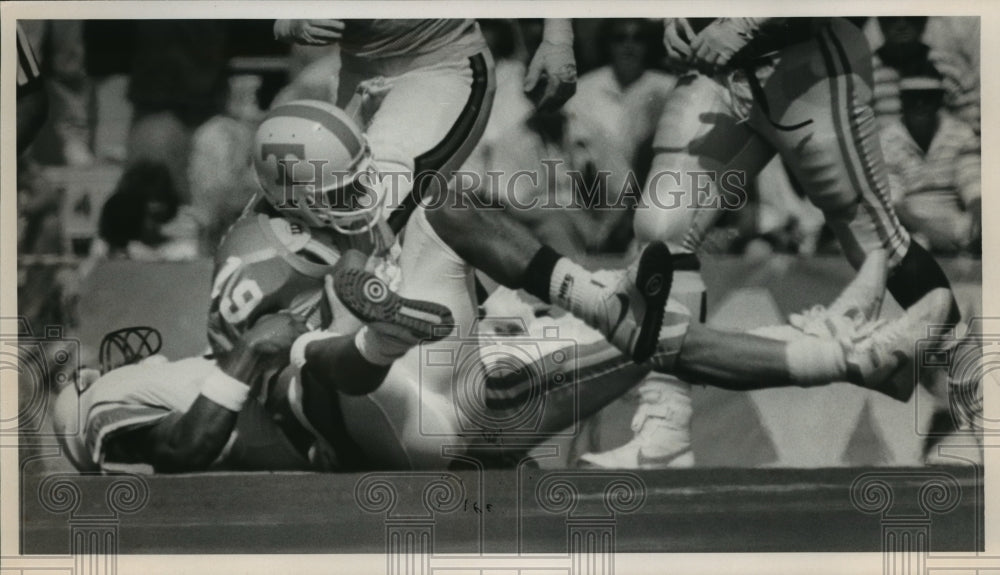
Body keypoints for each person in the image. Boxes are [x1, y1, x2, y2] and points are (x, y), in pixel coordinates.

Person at [584, 17, 962, 468]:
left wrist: (745, 25)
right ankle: (666, 431)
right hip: (716, 75)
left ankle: (971, 402)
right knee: (661, 231)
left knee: (875, 236)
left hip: (805, 58)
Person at [271, 21, 672, 365]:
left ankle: (316, 356)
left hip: (438, 65)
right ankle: (559, 310)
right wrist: (288, 20)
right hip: (358, 70)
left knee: (377, 213)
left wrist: (557, 38)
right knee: (361, 218)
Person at [881, 67, 981, 255]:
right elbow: (893, 203)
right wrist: (930, 233)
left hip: (954, 219)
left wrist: (979, 222)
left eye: (927, 98)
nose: (920, 105)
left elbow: (973, 185)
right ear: (902, 102)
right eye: (912, 99)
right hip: (910, 223)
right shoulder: (886, 140)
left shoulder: (961, 134)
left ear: (939, 101)